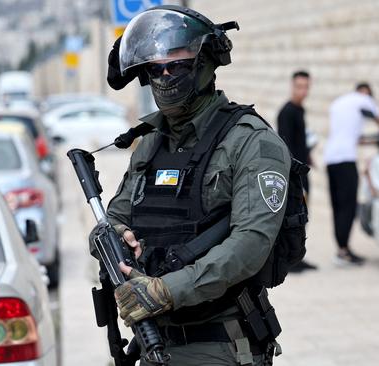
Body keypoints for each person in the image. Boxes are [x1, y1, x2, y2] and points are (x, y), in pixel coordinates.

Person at [98, 5, 291, 365]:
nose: (165, 76)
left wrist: (165, 291)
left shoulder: (250, 141)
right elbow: (115, 216)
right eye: (155, 69)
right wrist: (117, 238)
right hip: (152, 341)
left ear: (205, 64)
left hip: (222, 345)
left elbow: (250, 244)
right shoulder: (154, 143)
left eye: (177, 64)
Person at [323, 82, 379, 266]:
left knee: (337, 207)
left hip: (331, 159)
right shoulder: (365, 100)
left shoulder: (339, 103)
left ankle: (342, 249)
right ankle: (343, 253)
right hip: (346, 161)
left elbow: (349, 136)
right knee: (348, 207)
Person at [276, 70, 317, 272]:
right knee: (293, 217)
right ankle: (290, 261)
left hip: (303, 173)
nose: (303, 91)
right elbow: (285, 146)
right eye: (299, 86)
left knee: (302, 217)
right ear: (292, 86)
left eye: (306, 87)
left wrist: (309, 157)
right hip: (294, 175)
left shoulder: (300, 110)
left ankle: (298, 257)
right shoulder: (287, 112)